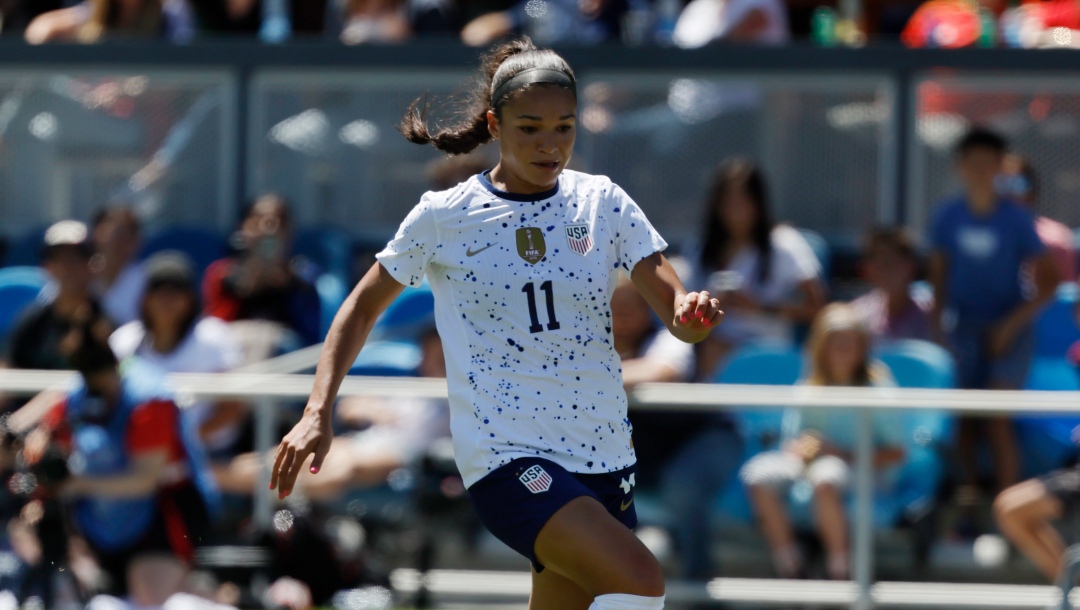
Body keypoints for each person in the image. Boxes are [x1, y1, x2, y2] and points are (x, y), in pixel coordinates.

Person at [270, 37, 724, 610]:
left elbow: (680, 320)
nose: (549, 143)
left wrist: (693, 316)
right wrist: (317, 411)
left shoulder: (603, 201)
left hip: (605, 454)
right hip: (508, 457)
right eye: (530, 127)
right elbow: (360, 307)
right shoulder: (445, 215)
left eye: (564, 127)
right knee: (639, 581)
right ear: (495, 123)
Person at [24, 315, 218, 599]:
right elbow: (42, 451)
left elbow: (144, 480)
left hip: (163, 514)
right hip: (95, 519)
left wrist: (76, 485)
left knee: (150, 595)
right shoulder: (75, 393)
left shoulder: (149, 397)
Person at [929, 128, 1057, 502]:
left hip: (1011, 329)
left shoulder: (1017, 219)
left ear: (1002, 167)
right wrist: (939, 334)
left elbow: (1051, 282)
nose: (982, 170)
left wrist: (1009, 326)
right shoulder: (946, 216)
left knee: (997, 418)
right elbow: (938, 278)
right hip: (964, 330)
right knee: (965, 420)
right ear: (961, 167)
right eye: (975, 162)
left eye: (990, 163)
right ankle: (968, 509)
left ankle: (1008, 509)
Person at [739, 303, 906, 580]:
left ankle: (839, 572)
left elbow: (896, 453)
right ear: (821, 346)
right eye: (835, 342)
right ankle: (791, 566)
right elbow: (790, 444)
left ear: (862, 347)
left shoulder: (879, 390)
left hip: (865, 469)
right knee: (757, 474)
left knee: (826, 476)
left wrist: (839, 453)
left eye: (849, 343)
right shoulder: (808, 387)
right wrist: (803, 449)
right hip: (812, 464)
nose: (842, 349)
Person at [212, 326, 449, 501]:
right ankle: (204, 477)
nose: (434, 362)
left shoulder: (464, 397)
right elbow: (348, 408)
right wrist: (372, 409)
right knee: (281, 458)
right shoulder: (408, 390)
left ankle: (218, 484)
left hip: (400, 460)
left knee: (334, 475)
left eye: (441, 356)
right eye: (430, 354)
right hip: (358, 444)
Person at [614, 274, 744, 582]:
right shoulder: (589, 344)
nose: (623, 312)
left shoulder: (671, 335)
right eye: (614, 303)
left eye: (633, 303)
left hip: (705, 439)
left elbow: (662, 371)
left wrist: (586, 377)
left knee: (683, 485)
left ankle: (699, 579)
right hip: (647, 453)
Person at [688, 157, 826, 380]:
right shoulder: (698, 250)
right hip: (710, 352)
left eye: (743, 198)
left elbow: (818, 309)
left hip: (769, 355)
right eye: (727, 199)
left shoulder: (784, 243)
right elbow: (680, 307)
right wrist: (712, 307)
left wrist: (758, 307)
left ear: (758, 202)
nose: (735, 207)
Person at [109, 251, 246, 458]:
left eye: (176, 292)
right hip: (136, 455)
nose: (167, 300)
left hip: (207, 456)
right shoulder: (124, 340)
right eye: (159, 291)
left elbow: (232, 409)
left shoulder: (214, 338)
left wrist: (183, 444)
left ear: (191, 298)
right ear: (145, 299)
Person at [202, 194, 321, 351]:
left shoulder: (302, 274)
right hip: (232, 350)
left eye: (278, 221)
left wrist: (286, 283)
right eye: (258, 220)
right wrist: (250, 275)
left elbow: (310, 335)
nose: (268, 229)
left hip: (285, 354)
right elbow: (215, 328)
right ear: (243, 226)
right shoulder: (221, 274)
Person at [5, 220, 112, 372]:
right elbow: (10, 369)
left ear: (93, 265)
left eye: (75, 258)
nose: (67, 267)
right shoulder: (32, 323)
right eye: (58, 259)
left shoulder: (108, 321)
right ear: (47, 267)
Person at [996, 153, 1076, 284]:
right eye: (1001, 184)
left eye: (1017, 184)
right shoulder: (967, 239)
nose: (1009, 193)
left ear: (1032, 191)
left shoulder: (1054, 240)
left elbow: (1066, 296)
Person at [850, 226, 933, 344]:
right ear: (867, 270)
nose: (885, 271)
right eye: (878, 263)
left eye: (891, 262)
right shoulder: (856, 315)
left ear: (910, 267)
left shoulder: (931, 316)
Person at [23, 0, 195, 44]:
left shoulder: (171, 15)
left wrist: (125, 88)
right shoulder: (93, 16)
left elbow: (187, 72)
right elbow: (40, 29)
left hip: (143, 124)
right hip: (90, 115)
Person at [90, 205, 148, 327]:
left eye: (127, 234)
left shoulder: (148, 282)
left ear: (136, 242)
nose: (119, 241)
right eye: (116, 232)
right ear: (96, 234)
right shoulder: (75, 276)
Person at [672, 0, 790, 47]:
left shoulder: (760, 3)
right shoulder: (698, 7)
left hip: (742, 100)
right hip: (685, 97)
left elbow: (726, 46)